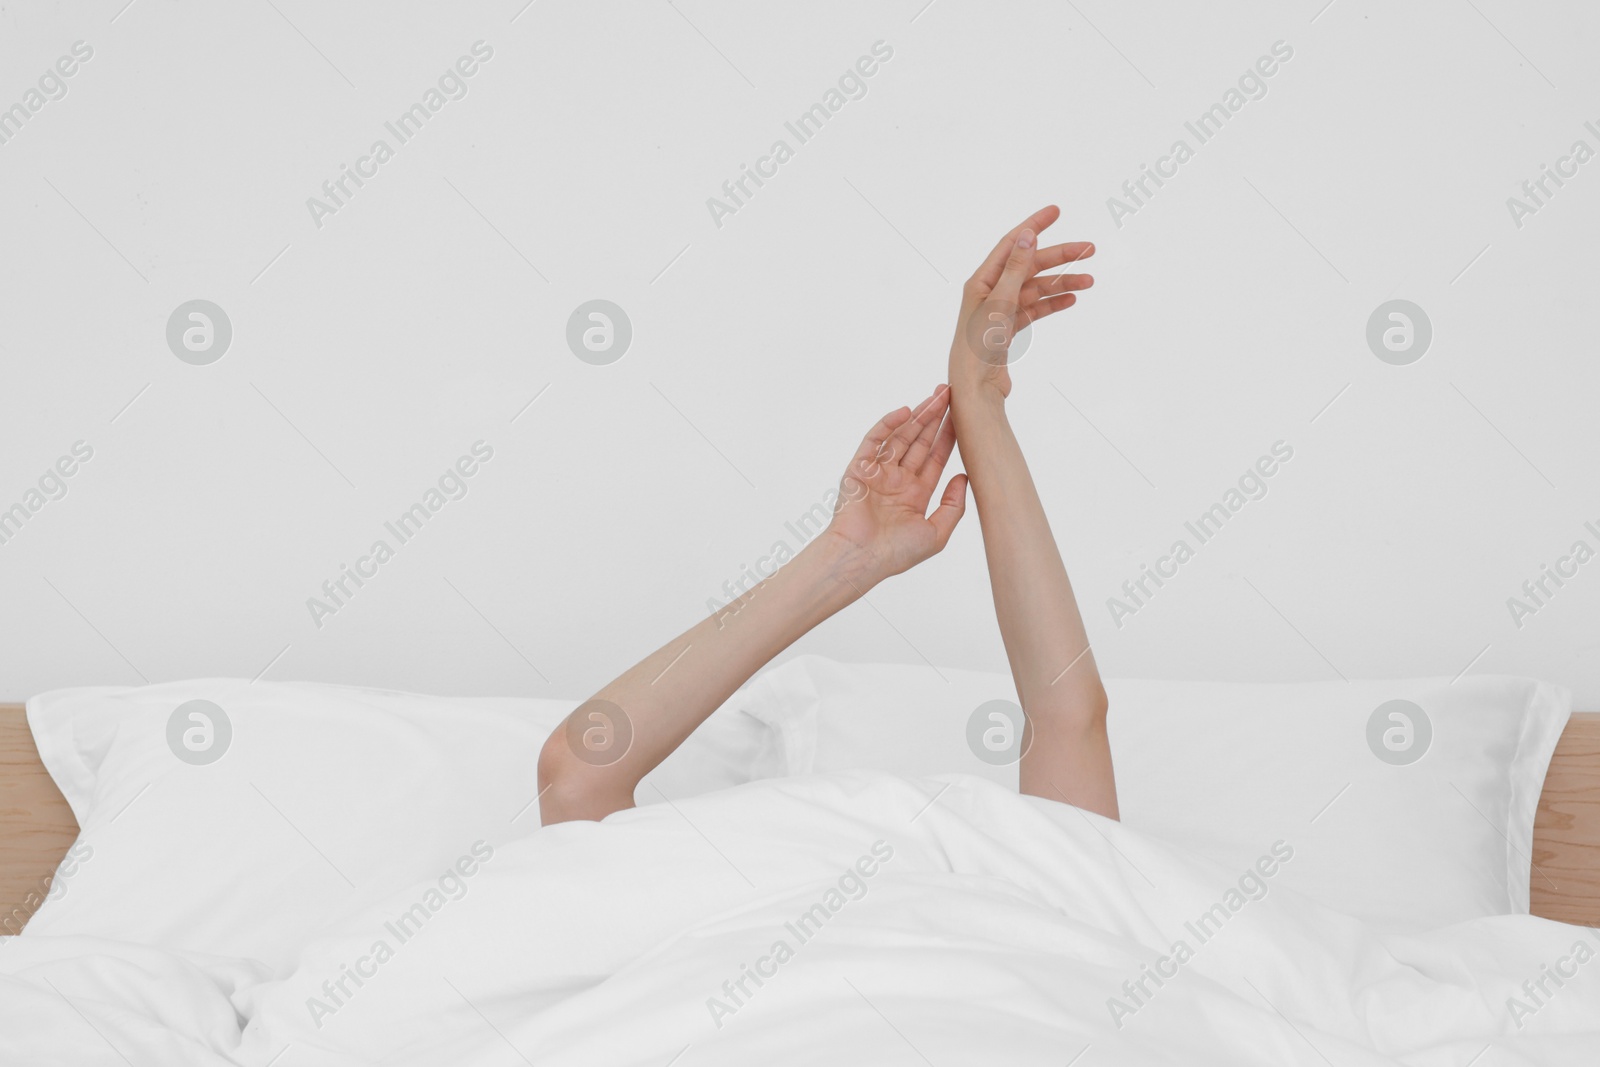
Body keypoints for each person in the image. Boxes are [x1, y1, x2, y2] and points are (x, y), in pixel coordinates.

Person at [538, 207, 1116, 825]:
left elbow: (575, 775)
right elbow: (576, 773)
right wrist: (845, 557)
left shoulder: (1049, 897)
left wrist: (978, 400)